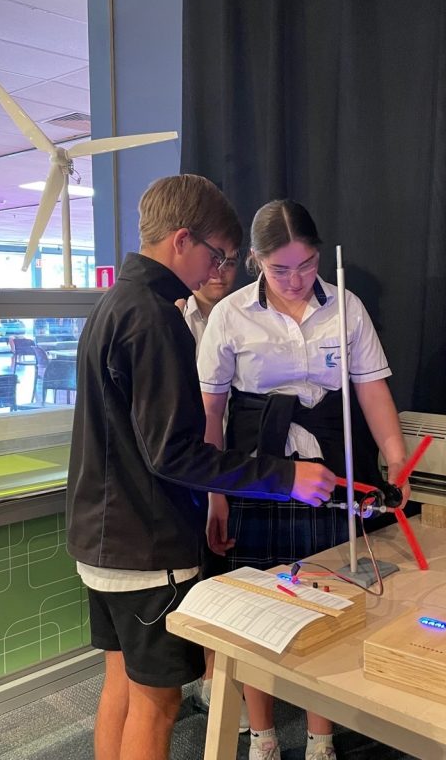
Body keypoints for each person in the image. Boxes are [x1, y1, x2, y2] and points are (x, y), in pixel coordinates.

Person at [66, 177, 336, 760]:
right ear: (182, 240)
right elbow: (174, 453)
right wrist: (287, 477)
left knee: (122, 686)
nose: (220, 272)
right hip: (147, 549)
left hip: (100, 540)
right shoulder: (155, 318)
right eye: (218, 257)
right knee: (158, 705)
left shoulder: (111, 305)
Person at [196, 199, 410, 760]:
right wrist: (217, 497)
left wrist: (395, 456)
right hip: (260, 472)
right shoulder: (230, 315)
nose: (295, 280)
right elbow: (211, 416)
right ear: (255, 262)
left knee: (330, 600)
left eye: (307, 265)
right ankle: (263, 734)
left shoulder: (346, 307)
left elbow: (371, 389)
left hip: (334, 470)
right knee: (259, 606)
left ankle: (322, 736)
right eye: (280, 268)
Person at [176, 252, 252, 729]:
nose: (219, 272)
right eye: (213, 260)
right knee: (206, 571)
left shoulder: (245, 312)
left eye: (229, 262)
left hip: (238, 458)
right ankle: (212, 678)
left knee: (235, 569)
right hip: (194, 462)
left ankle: (238, 676)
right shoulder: (174, 320)